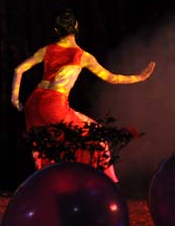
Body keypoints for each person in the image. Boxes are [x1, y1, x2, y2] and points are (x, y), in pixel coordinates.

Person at [11, 9, 155, 181]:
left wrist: (15, 98)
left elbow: (18, 70)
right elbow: (112, 78)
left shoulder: (47, 50)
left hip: (33, 105)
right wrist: (139, 77)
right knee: (95, 135)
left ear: (56, 30)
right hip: (54, 105)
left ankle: (55, 185)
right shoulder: (82, 56)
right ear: (76, 26)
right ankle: (104, 183)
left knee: (47, 148)